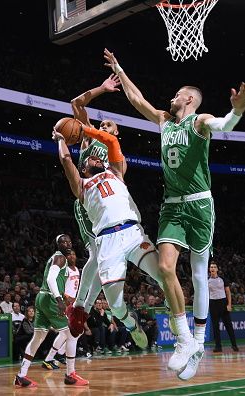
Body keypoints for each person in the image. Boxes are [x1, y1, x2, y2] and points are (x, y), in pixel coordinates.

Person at [103, 48, 245, 380]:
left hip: (200, 205)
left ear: (188, 100)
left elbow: (224, 125)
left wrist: (237, 112)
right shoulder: (163, 120)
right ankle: (184, 338)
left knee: (199, 276)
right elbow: (136, 99)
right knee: (166, 266)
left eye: (176, 96)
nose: (170, 99)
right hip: (172, 205)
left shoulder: (199, 121)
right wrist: (119, 67)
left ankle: (198, 344)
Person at [54, 121, 166, 353]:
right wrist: (61, 140)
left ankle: (178, 319)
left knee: (164, 273)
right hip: (107, 242)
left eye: (98, 159)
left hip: (133, 233)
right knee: (115, 306)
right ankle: (130, 323)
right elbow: (66, 161)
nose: (96, 160)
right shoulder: (82, 186)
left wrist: (86, 129)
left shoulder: (115, 171)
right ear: (83, 169)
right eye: (90, 160)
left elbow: (112, 141)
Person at [67, 74, 124, 331]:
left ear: (116, 132)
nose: (104, 124)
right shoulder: (89, 137)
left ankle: (83, 309)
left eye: (109, 124)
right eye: (102, 122)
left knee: (103, 260)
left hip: (106, 208)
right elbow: (76, 103)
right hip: (87, 203)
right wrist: (102, 88)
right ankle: (81, 306)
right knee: (97, 255)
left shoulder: (118, 157)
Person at [15, 235, 88, 388]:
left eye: (69, 241)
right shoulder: (60, 257)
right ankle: (70, 374)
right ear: (58, 244)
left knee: (38, 337)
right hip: (50, 299)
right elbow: (50, 279)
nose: (67, 244)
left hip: (41, 298)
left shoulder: (57, 258)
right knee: (72, 334)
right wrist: (59, 300)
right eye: (63, 242)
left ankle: (21, 376)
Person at [42, 248, 79, 369]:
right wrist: (65, 299)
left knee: (74, 332)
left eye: (74, 254)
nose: (72, 256)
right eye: (69, 255)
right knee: (66, 333)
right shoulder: (65, 269)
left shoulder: (76, 269)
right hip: (65, 303)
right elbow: (59, 285)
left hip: (73, 303)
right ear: (66, 258)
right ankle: (52, 357)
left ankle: (58, 354)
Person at [208, 261, 238, 353]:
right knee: (215, 327)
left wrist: (229, 304)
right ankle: (218, 347)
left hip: (223, 303)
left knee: (228, 325)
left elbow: (228, 292)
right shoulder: (206, 281)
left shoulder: (223, 279)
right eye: (211, 267)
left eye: (214, 267)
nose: (212, 268)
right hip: (213, 303)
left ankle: (234, 345)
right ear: (209, 269)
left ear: (217, 269)